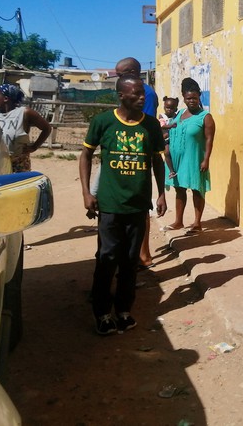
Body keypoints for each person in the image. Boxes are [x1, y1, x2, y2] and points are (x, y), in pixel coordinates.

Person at [79, 76, 167, 335]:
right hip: (110, 204)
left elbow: (157, 161)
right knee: (107, 258)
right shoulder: (103, 122)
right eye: (136, 94)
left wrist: (161, 193)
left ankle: (124, 310)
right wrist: (86, 192)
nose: (142, 98)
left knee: (130, 261)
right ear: (121, 95)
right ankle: (102, 313)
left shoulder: (150, 125)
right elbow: (85, 154)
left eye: (143, 94)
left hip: (138, 205)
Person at [115, 57, 159, 269]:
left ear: (131, 71)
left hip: (135, 153)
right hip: (125, 150)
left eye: (121, 73)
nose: (119, 78)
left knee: (139, 204)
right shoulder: (131, 90)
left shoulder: (145, 94)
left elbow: (144, 125)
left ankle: (144, 254)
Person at [163, 78, 215, 234]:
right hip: (177, 160)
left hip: (194, 159)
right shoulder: (178, 115)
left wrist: (206, 159)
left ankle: (197, 223)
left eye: (194, 98)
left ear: (199, 96)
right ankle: (178, 221)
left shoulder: (205, 117)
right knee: (179, 190)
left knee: (197, 190)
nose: (191, 101)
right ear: (183, 98)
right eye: (188, 98)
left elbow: (209, 140)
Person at [0, 83, 52, 172]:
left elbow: (47, 128)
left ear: (5, 99)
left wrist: (34, 147)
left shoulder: (24, 113)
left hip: (18, 164)